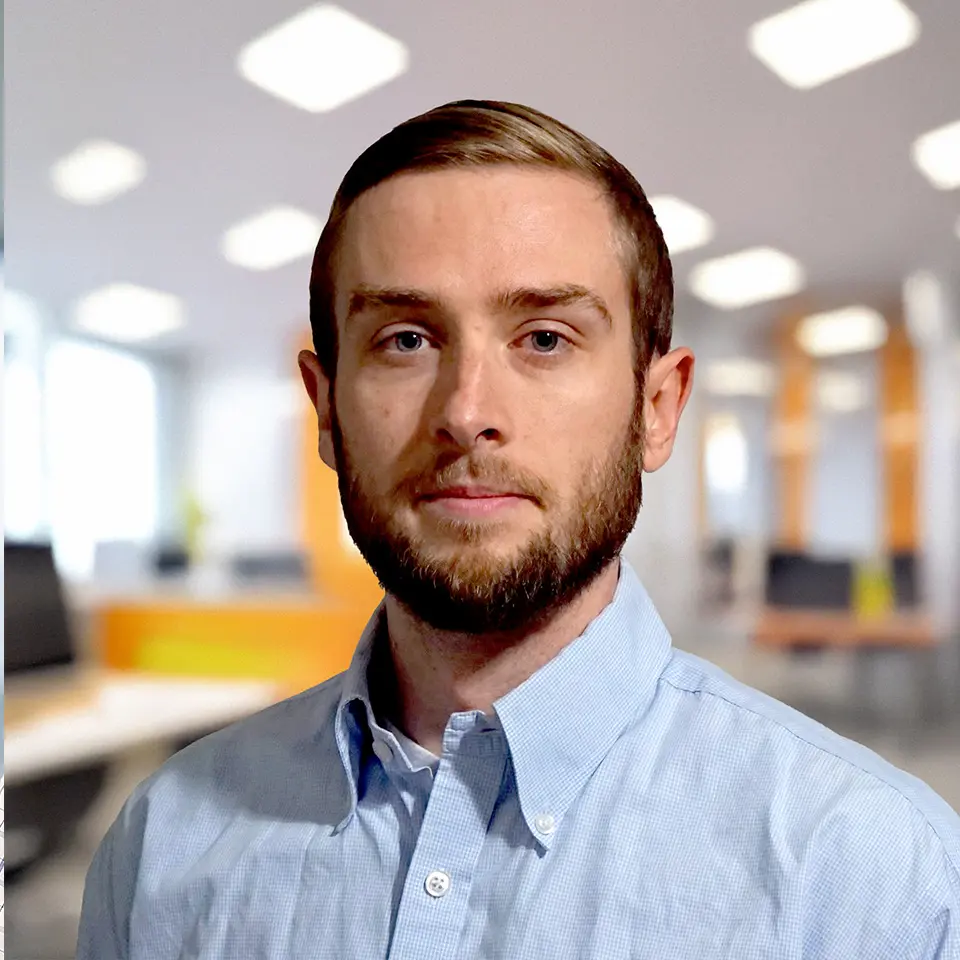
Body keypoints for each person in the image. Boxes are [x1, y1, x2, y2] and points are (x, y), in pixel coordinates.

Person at [77, 100, 959, 960]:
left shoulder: (882, 887)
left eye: (544, 339)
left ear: (657, 409)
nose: (467, 413)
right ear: (328, 412)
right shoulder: (160, 849)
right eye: (406, 340)